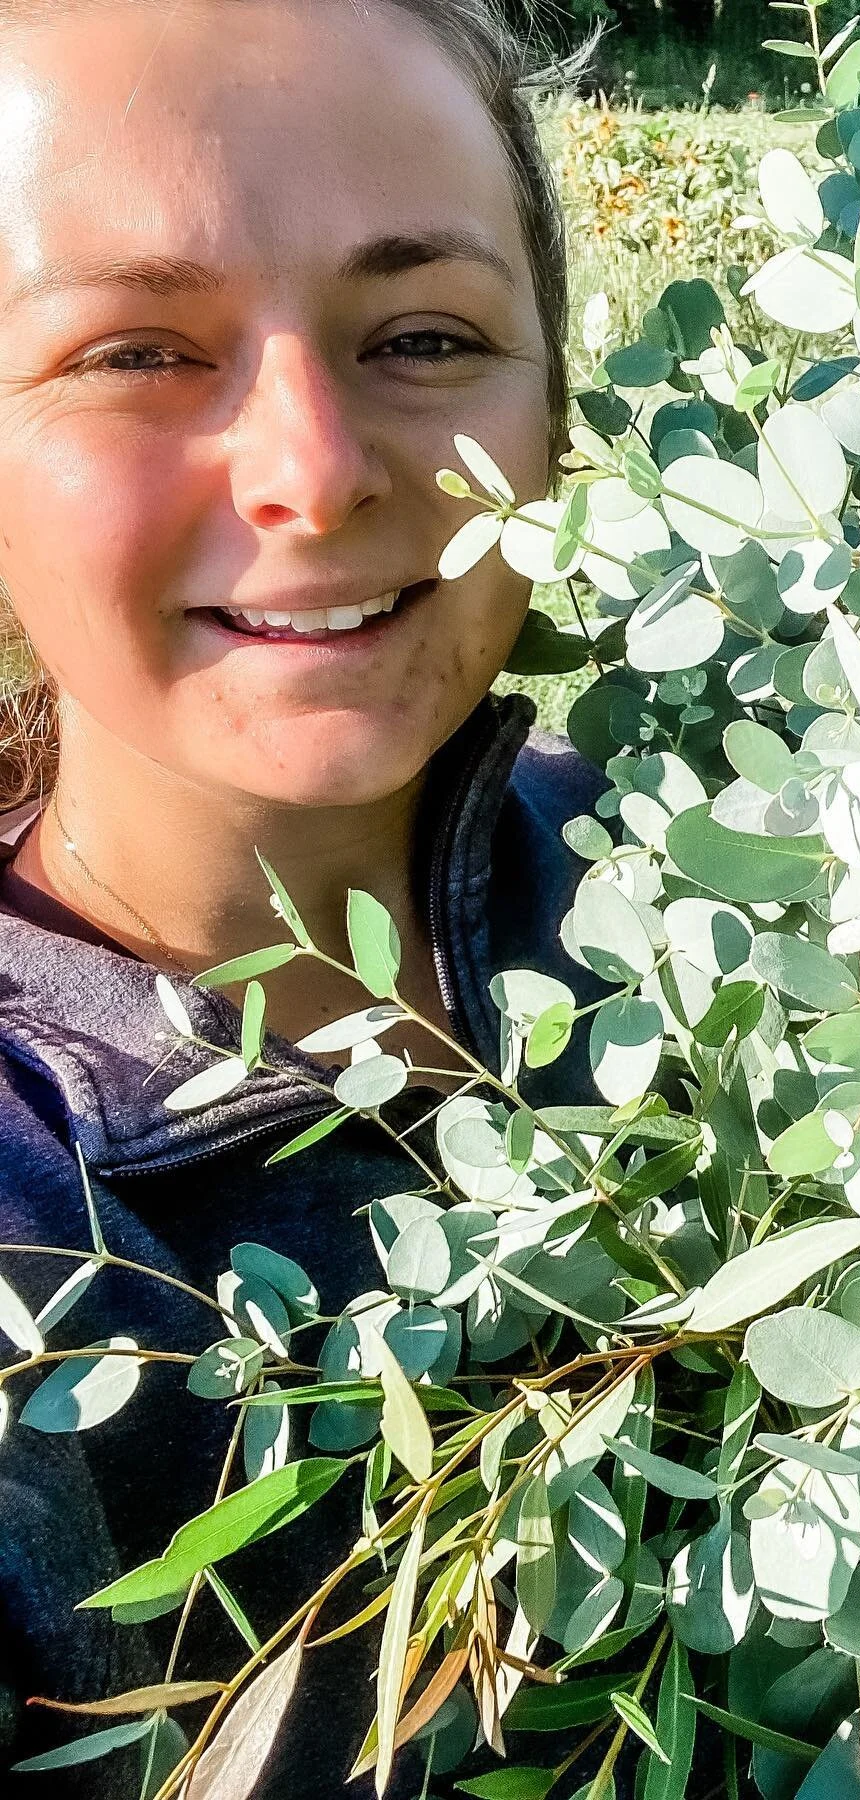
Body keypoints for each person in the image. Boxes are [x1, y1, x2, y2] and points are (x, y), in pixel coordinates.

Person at [0, 1, 607, 1791]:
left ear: (559, 408)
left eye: (424, 337)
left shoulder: (791, 900)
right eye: (135, 352)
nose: (316, 470)